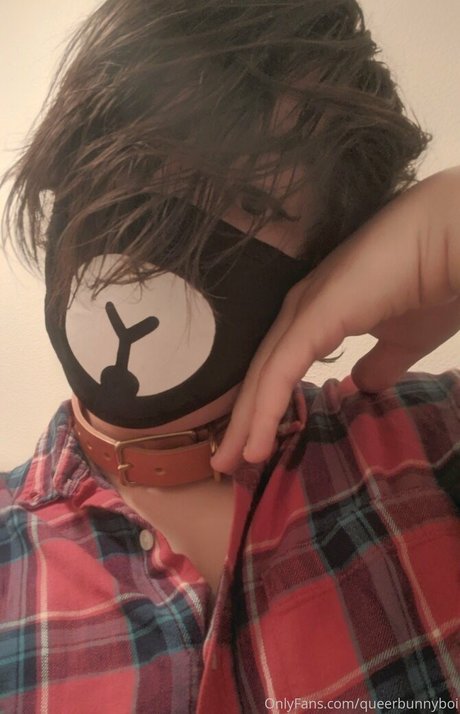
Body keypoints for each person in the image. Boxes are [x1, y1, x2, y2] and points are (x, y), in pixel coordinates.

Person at [1, 1, 459, 712]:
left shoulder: (433, 445)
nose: (158, 236)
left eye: (250, 201)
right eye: (141, 161)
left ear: (329, 259)